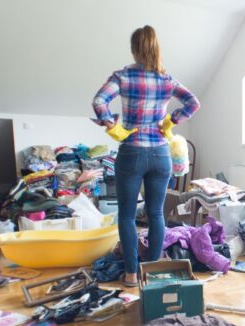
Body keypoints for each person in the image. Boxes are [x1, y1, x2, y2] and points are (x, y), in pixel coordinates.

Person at [92, 25, 199, 286]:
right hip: (161, 153)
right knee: (156, 214)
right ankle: (150, 273)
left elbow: (99, 101)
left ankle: (130, 274)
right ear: (156, 48)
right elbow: (193, 103)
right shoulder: (167, 79)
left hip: (131, 151)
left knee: (127, 215)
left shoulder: (123, 76)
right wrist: (172, 119)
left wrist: (109, 122)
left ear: (134, 49)